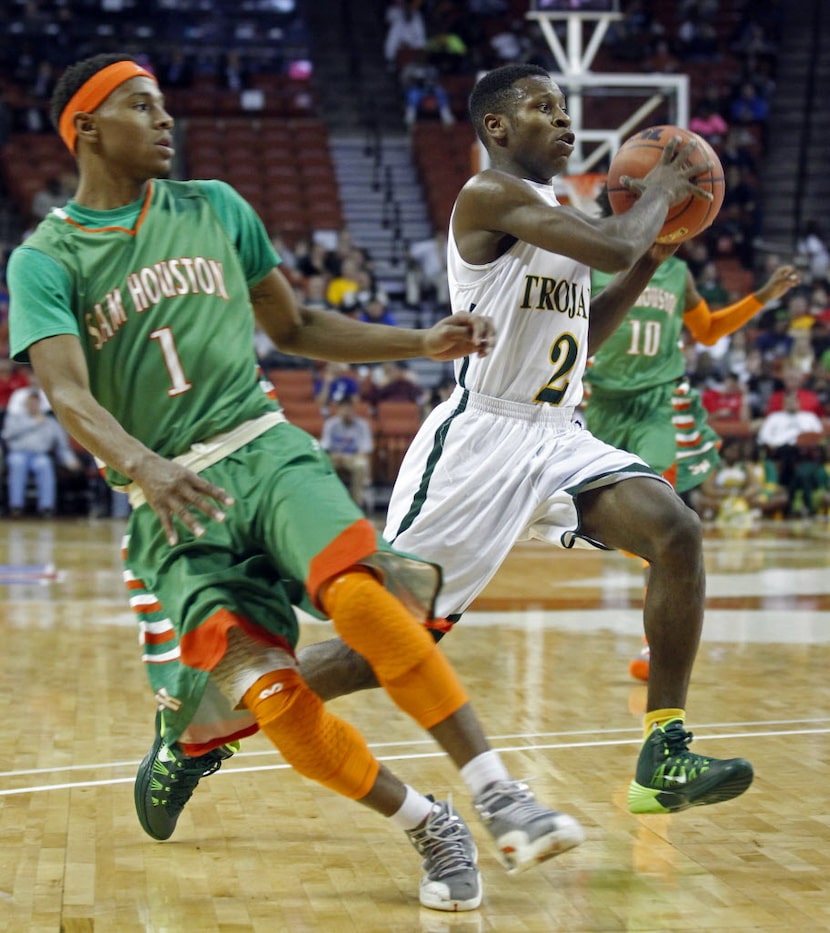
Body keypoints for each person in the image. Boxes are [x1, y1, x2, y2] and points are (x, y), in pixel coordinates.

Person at [8, 53, 586, 915]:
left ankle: (499, 789)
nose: (165, 119)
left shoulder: (215, 207)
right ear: (86, 127)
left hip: (262, 446)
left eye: (166, 103)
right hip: (167, 498)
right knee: (270, 694)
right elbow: (65, 392)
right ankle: (427, 820)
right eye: (140, 106)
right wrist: (145, 466)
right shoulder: (46, 258)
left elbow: (300, 324)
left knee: (360, 597)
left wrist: (417, 342)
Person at [293, 64, 756, 817]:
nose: (565, 121)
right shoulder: (491, 194)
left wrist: (652, 258)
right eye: (545, 107)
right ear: (498, 129)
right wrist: (664, 195)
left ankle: (663, 751)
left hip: (557, 437)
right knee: (384, 646)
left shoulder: (557, 212)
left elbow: (586, 328)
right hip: (480, 443)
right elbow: (610, 246)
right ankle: (216, 716)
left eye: (566, 108)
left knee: (676, 530)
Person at [587, 187, 799, 679]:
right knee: (610, 524)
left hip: (657, 404)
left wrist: (763, 297)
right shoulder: (595, 262)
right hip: (601, 405)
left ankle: (653, 647)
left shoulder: (678, 272)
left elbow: (705, 331)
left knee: (663, 518)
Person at [1, 387, 82, 516]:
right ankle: (16, 506)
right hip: (18, 454)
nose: (33, 405)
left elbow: (62, 445)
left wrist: (69, 459)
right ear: (25, 403)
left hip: (40, 455)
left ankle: (46, 507)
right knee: (17, 464)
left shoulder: (50, 422)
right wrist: (33, 423)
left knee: (44, 465)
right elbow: (7, 434)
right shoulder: (15, 418)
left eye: (36, 402)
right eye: (30, 402)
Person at [320, 397, 375, 509]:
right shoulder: (331, 424)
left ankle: (356, 505)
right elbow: (325, 447)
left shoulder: (362, 425)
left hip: (353, 458)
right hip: (335, 457)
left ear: (353, 409)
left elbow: (366, 449)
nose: (346, 411)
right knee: (323, 463)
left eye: (349, 408)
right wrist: (336, 456)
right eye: (343, 408)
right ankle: (329, 503)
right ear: (338, 409)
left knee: (361, 465)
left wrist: (350, 457)